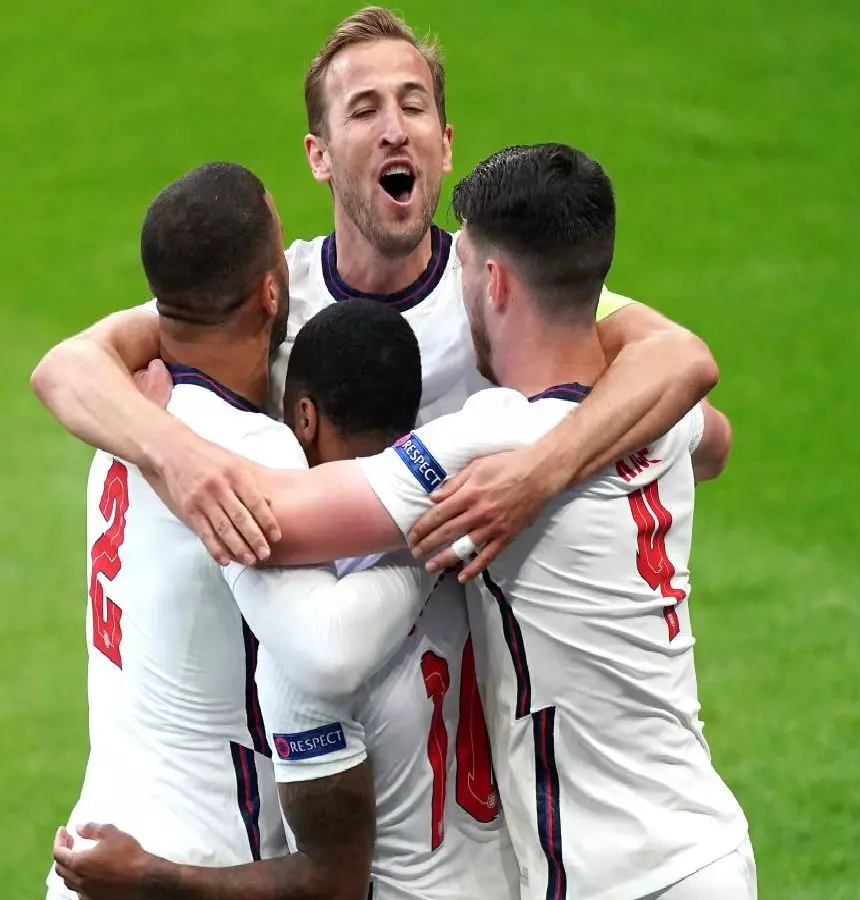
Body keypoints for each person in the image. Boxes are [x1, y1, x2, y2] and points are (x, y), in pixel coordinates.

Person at [163, 143, 753, 899]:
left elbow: (273, 522)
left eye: (465, 267)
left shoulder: (490, 439)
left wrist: (163, 438)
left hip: (618, 876)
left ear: (497, 282)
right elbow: (717, 434)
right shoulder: (656, 411)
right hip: (703, 844)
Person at [28, 6, 720, 582]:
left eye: (413, 106)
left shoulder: (498, 295)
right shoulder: (271, 296)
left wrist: (539, 471)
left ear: (444, 146)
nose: (395, 128)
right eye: (364, 110)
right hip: (321, 706)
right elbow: (68, 367)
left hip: (470, 723)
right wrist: (175, 457)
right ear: (318, 155)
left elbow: (684, 370)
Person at [48, 164, 446, 899]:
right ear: (270, 292)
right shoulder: (244, 449)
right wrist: (430, 541)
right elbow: (328, 652)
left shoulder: (126, 411)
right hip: (191, 857)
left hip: (96, 839)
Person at [54, 301, 520, 900]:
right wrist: (440, 532)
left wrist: (167, 461)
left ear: (302, 416)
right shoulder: (499, 515)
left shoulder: (299, 647)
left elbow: (331, 882)